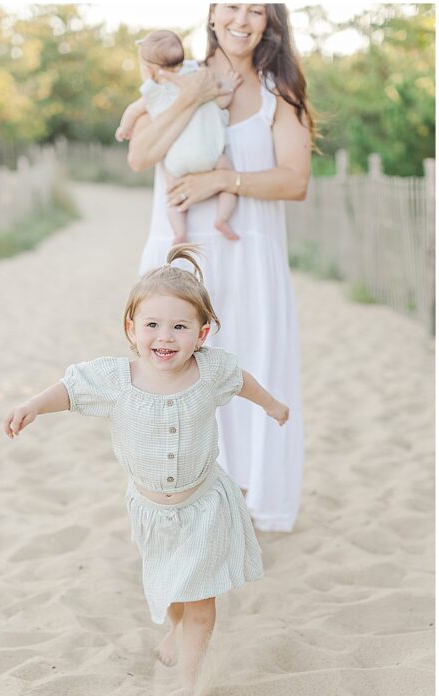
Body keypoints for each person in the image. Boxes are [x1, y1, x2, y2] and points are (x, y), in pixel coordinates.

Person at [3, 245, 288, 686]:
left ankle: (189, 685)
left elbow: (242, 381)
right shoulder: (117, 380)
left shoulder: (210, 372)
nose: (165, 337)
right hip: (152, 513)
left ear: (202, 333)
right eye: (152, 325)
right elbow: (71, 389)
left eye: (180, 327)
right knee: (173, 588)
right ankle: (175, 627)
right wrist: (34, 406)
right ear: (131, 329)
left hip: (204, 506)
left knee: (201, 603)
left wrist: (271, 404)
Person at [127, 4, 313, 533]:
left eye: (257, 9)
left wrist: (222, 183)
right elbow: (142, 156)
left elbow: (294, 181)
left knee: (247, 372)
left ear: (268, 22)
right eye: (232, 4)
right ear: (211, 14)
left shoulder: (282, 90)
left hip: (250, 256)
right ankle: (181, 507)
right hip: (177, 258)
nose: (243, 18)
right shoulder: (173, 74)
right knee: (171, 378)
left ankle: (244, 505)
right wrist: (193, 95)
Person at [116, 29, 241, 244]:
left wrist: (124, 128)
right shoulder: (198, 77)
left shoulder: (153, 93)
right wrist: (229, 87)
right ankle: (222, 218)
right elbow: (222, 100)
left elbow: (133, 111)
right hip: (210, 156)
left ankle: (179, 233)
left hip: (176, 163)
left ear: (150, 70)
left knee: (172, 197)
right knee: (228, 177)